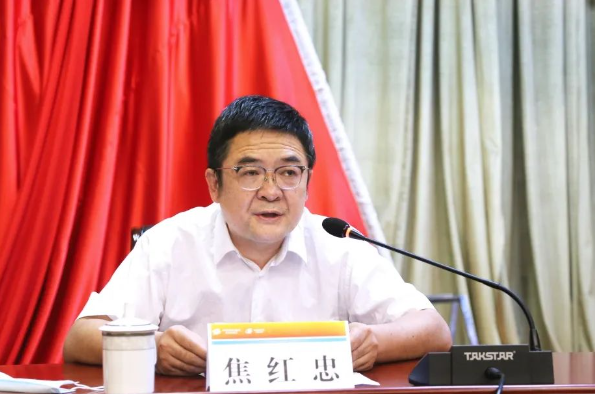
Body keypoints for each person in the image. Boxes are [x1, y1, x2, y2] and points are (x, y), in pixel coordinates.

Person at [63, 95, 452, 375]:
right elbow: (80, 338)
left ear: (307, 182)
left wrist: (374, 341)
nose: (271, 191)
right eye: (250, 173)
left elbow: (433, 330)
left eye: (288, 173)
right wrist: (153, 347)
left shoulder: (339, 245)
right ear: (214, 185)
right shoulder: (169, 243)